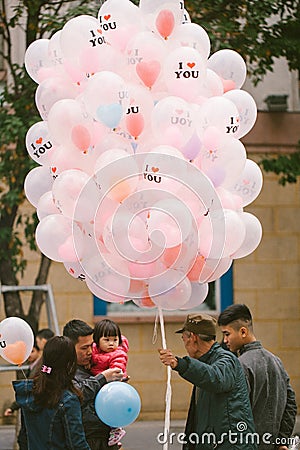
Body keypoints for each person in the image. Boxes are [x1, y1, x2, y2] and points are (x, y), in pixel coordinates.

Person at [159, 313, 257, 450]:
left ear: (193, 338)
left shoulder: (226, 360)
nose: (184, 343)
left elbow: (216, 378)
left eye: (183, 338)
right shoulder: (206, 362)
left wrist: (178, 363)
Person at [218, 304, 297, 450]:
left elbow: (234, 413)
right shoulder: (276, 361)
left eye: (227, 334)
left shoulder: (240, 365)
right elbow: (291, 404)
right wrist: (282, 441)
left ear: (243, 331)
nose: (224, 340)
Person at [13, 336, 91, 450]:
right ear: (70, 364)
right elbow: (77, 444)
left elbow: (24, 438)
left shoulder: (28, 391)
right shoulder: (68, 400)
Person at [63, 319, 124, 450]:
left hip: (104, 437)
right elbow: (75, 395)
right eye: (84, 348)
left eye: (92, 345)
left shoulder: (95, 365)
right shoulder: (65, 371)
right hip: (85, 439)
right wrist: (102, 378)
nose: (90, 352)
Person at [91, 319, 129, 446]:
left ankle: (116, 430)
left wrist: (115, 377)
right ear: (97, 340)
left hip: (111, 388)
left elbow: (118, 370)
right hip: (99, 385)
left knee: (112, 410)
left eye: (115, 339)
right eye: (107, 340)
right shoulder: (94, 351)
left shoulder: (118, 354)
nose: (111, 343)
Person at [4, 339, 41, 449]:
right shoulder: (27, 366)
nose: (29, 355)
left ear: (39, 351)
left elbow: (30, 390)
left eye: (32, 351)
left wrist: (13, 407)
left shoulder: (40, 367)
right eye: (27, 352)